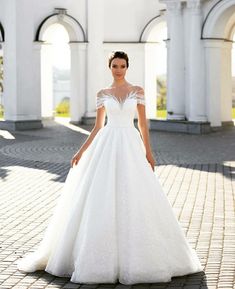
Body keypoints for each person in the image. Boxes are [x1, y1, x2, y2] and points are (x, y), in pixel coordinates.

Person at [17, 51, 204, 284]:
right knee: (101, 194)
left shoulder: (137, 91)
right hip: (107, 143)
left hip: (130, 143)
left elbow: (143, 125)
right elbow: (97, 127)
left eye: (122, 66)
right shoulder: (102, 94)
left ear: (127, 67)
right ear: (110, 67)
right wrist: (81, 150)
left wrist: (149, 152)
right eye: (115, 65)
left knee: (135, 193)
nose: (118, 69)